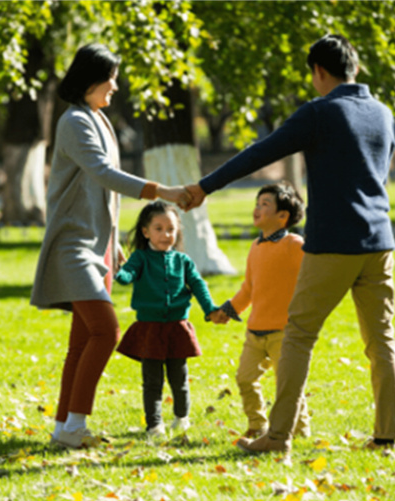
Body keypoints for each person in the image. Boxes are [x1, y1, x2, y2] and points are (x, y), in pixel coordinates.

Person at [183, 34, 395, 453]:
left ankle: (277, 436)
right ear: (354, 67)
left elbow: (259, 153)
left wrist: (206, 186)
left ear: (319, 71)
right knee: (382, 340)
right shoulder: (384, 113)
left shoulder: (319, 113)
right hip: (380, 244)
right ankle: (387, 436)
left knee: (298, 334)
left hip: (334, 243)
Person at [30, 43, 189, 449]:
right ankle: (74, 426)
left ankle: (65, 428)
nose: (115, 85)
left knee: (81, 342)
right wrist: (163, 190)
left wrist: (114, 242)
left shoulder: (99, 119)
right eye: (110, 78)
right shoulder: (74, 122)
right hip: (72, 246)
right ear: (90, 79)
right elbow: (104, 174)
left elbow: (104, 195)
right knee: (107, 330)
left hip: (97, 247)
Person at [114, 201, 222, 438]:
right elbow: (126, 275)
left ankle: (182, 418)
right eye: (159, 228)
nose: (166, 234)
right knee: (152, 381)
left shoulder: (183, 261)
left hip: (177, 329)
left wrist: (210, 309)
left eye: (171, 229)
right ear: (145, 231)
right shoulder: (140, 258)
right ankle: (154, 425)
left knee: (179, 378)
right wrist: (118, 270)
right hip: (150, 329)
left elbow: (198, 285)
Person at [215, 182, 310, 440]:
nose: (257, 209)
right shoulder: (255, 247)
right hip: (255, 332)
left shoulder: (294, 244)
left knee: (287, 386)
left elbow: (312, 276)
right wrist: (228, 309)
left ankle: (300, 430)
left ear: (283, 216)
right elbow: (248, 289)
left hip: (284, 332)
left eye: (264, 204)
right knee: (245, 379)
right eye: (257, 204)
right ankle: (257, 424)